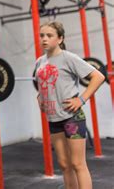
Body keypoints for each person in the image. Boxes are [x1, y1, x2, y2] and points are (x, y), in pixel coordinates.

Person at [35, 21, 105, 189]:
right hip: (53, 118)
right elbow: (42, 85)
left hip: (72, 118)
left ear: (60, 39)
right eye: (42, 35)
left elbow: (98, 77)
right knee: (65, 165)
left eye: (49, 36)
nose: (44, 39)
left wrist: (81, 99)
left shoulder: (68, 58)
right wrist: (40, 97)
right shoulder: (39, 62)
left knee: (77, 164)